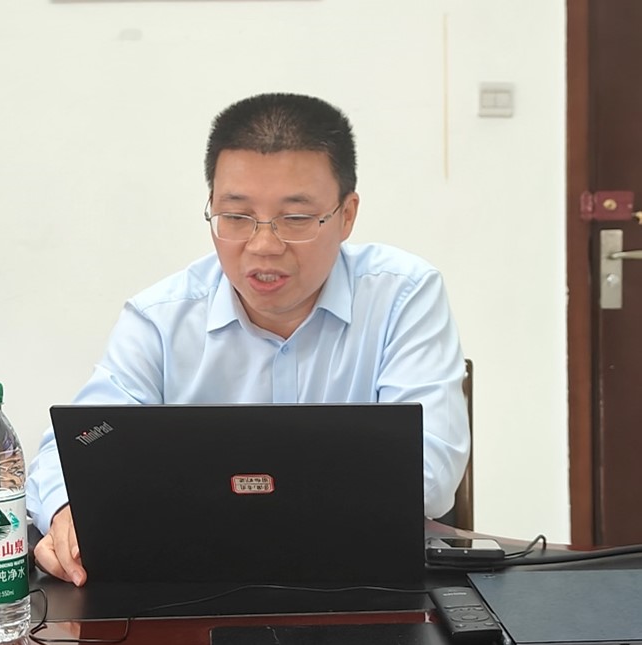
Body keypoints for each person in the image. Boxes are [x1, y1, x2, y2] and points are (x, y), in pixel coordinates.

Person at [26, 92, 470, 586]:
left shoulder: (402, 297)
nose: (263, 245)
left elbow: (429, 473)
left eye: (295, 219)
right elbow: (79, 443)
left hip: (360, 581)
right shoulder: (160, 319)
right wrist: (67, 508)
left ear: (347, 215)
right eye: (236, 217)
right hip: (188, 588)